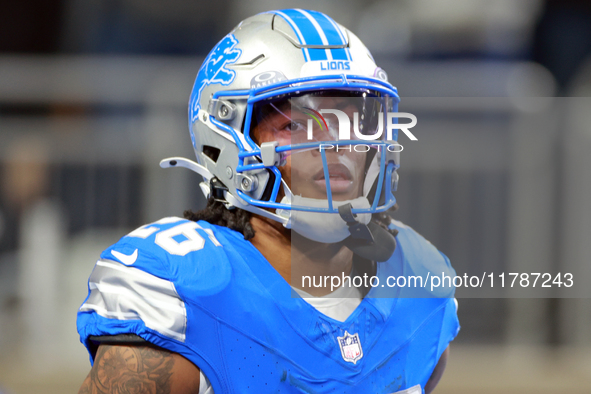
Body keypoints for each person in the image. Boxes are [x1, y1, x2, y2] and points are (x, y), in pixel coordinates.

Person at [77, 9, 459, 394]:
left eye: (354, 120)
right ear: (226, 137)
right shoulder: (186, 291)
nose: (338, 144)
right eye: (296, 124)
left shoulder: (418, 281)